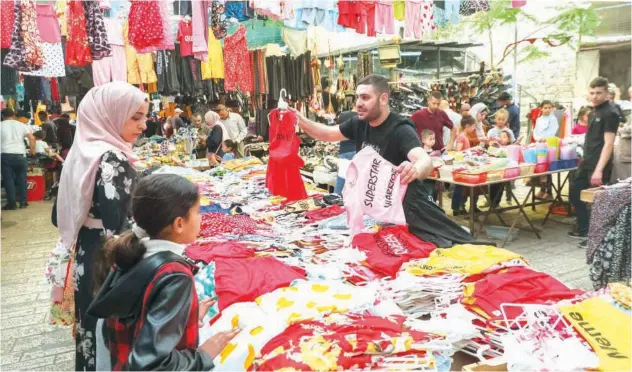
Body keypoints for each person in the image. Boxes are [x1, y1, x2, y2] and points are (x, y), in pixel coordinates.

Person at [290, 74, 476, 247]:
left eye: (365, 97)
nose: (358, 103)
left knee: (455, 246)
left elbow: (423, 159)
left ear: (384, 99)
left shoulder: (400, 129)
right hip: (377, 210)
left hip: (408, 209)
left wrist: (415, 169)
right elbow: (327, 133)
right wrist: (298, 118)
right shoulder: (359, 123)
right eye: (357, 97)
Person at [87, 174, 240, 371]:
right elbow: (151, 365)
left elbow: (137, 315)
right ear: (179, 224)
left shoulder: (133, 252)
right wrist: (205, 354)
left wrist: (186, 316)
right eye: (197, 212)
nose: (201, 218)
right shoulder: (174, 276)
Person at [54, 82, 148, 371]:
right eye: (135, 117)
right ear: (109, 114)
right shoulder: (111, 157)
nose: (143, 125)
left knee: (89, 328)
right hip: (107, 257)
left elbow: (58, 216)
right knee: (108, 330)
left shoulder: (83, 150)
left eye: (144, 116)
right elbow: (119, 224)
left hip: (86, 248)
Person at [569, 77, 620, 244]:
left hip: (599, 163)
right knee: (575, 194)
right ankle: (585, 230)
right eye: (592, 92)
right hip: (587, 160)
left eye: (599, 93)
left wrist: (599, 169)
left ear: (606, 93)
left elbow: (609, 144)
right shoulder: (592, 112)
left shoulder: (610, 112)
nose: (595, 96)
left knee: (596, 202)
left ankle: (597, 239)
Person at [1, 108, 36, 210]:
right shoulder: (21, 125)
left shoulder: (1, 125)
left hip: (5, 155)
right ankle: (23, 202)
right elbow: (32, 138)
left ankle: (12, 204)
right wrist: (32, 152)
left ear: (3, 116)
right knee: (22, 179)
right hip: (20, 155)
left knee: (8, 180)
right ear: (14, 115)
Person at [452, 116, 476, 216]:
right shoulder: (461, 137)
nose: (474, 128)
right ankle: (457, 208)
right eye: (473, 126)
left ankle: (460, 206)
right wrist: (470, 151)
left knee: (463, 188)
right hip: (461, 166)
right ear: (467, 126)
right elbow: (458, 151)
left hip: (465, 166)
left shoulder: (465, 136)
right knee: (459, 188)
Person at [334, 110, 358, 194]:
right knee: (354, 179)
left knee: (341, 177)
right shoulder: (358, 116)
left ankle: (335, 198)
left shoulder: (342, 115)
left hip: (344, 152)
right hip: (355, 151)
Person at [611, 117, 631, 182]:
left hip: (627, 155)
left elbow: (629, 129)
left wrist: (620, 130)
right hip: (625, 154)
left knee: (625, 183)